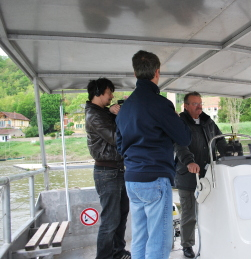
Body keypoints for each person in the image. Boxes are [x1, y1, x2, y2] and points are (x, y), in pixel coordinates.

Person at [116, 50, 191, 259]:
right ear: (157, 72)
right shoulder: (160, 104)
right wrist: (176, 118)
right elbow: (184, 138)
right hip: (155, 179)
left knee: (140, 237)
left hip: (132, 180)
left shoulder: (125, 108)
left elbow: (120, 146)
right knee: (159, 240)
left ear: (135, 73)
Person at [174, 91, 227, 258]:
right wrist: (189, 161)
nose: (200, 107)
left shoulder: (208, 122)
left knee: (210, 210)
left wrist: (228, 154)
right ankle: (187, 246)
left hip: (209, 175)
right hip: (188, 176)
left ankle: (211, 239)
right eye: (195, 104)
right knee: (189, 214)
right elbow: (180, 146)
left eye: (200, 103)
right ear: (186, 106)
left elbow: (219, 140)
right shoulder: (179, 123)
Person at [85, 78, 131, 259]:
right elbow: (115, 137)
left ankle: (118, 252)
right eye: (109, 92)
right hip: (106, 172)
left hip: (118, 170)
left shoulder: (102, 112)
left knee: (121, 217)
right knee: (110, 220)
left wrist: (114, 111)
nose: (112, 96)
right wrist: (121, 114)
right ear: (98, 93)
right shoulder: (94, 115)